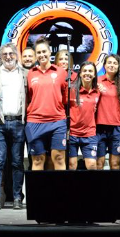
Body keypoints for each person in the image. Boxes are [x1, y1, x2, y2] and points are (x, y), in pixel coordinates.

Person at [0, 43, 28, 210]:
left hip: (19, 122)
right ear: (0, 57)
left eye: (11, 54)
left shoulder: (25, 73)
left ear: (16, 55)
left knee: (17, 162)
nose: (8, 57)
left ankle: (17, 198)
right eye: (5, 54)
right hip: (0, 123)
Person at [26, 37, 68, 171]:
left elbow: (65, 97)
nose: (42, 55)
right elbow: (29, 97)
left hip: (57, 122)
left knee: (59, 158)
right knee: (38, 160)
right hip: (35, 122)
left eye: (44, 51)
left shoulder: (61, 72)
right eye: (38, 52)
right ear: (35, 55)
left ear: (50, 52)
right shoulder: (30, 74)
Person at [96, 54, 120, 170]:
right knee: (99, 163)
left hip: (117, 127)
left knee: (115, 164)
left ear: (118, 66)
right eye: (109, 62)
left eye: (115, 63)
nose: (112, 65)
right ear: (104, 65)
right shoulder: (97, 81)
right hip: (100, 127)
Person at [68, 61, 100, 170]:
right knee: (72, 165)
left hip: (89, 134)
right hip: (72, 134)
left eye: (90, 71)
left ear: (94, 74)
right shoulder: (72, 90)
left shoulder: (98, 91)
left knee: (92, 165)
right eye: (84, 71)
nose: (87, 73)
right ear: (80, 74)